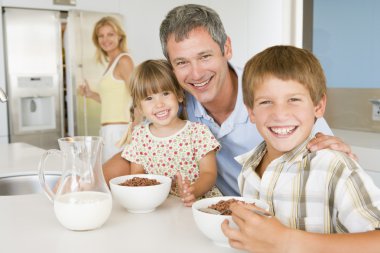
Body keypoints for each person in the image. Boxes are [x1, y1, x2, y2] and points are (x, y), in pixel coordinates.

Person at [103, 4, 354, 196]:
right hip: (220, 219)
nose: (196, 73)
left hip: (282, 220)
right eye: (182, 62)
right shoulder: (177, 104)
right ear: (172, 67)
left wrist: (337, 155)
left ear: (227, 49)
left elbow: (331, 157)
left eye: (205, 56)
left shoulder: (270, 97)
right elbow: (132, 157)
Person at [221, 45, 380, 253]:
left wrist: (287, 242)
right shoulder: (248, 169)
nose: (279, 114)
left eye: (294, 100)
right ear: (251, 111)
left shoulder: (334, 167)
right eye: (266, 102)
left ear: (318, 106)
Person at [121, 59, 222, 206]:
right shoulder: (139, 136)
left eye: (165, 93)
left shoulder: (198, 132)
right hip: (161, 207)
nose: (159, 104)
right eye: (149, 98)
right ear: (139, 107)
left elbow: (209, 173)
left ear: (179, 95)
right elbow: (137, 176)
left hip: (198, 205)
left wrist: (193, 190)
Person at [78, 16, 134, 162]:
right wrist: (90, 94)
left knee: (113, 179)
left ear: (120, 36)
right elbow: (110, 100)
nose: (105, 39)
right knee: (108, 178)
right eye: (101, 35)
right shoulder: (112, 63)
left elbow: (137, 95)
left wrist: (136, 127)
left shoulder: (124, 61)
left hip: (119, 130)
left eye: (110, 34)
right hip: (108, 130)